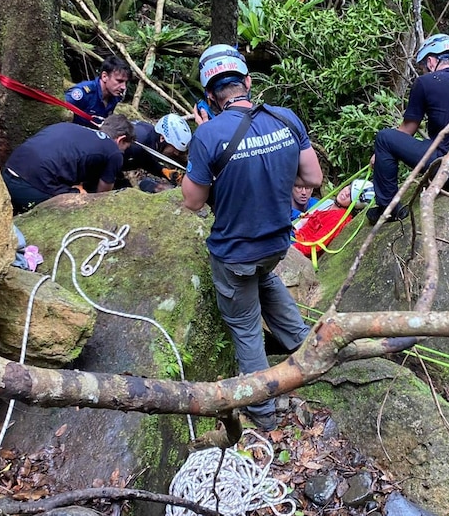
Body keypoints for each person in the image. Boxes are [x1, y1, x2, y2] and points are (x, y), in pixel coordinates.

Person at [181, 44, 323, 431]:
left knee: (245, 326)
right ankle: (305, 346)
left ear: (210, 96)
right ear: (247, 81)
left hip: (235, 252)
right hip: (276, 243)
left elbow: (192, 201)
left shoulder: (208, 135)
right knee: (265, 277)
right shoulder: (286, 118)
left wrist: (204, 138)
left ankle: (262, 413)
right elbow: (313, 178)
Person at [367, 33, 449, 224]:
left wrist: (379, 155)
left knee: (385, 138)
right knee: (430, 142)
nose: (425, 72)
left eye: (423, 67)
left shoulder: (425, 82)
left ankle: (388, 209)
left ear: (431, 60)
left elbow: (407, 129)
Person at [2, 114, 135, 214]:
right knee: (83, 197)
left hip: (7, 173)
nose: (123, 152)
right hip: (29, 187)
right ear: (121, 139)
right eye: (125, 148)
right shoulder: (114, 152)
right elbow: (101, 196)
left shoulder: (70, 127)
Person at [123, 114, 192, 193]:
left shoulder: (151, 138)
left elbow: (146, 161)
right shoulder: (136, 144)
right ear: (162, 138)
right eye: (174, 149)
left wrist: (164, 171)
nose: (176, 153)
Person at [65, 56, 132, 128]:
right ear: (104, 76)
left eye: (126, 82)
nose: (123, 87)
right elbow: (59, 111)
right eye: (119, 81)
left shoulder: (115, 96)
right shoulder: (83, 92)